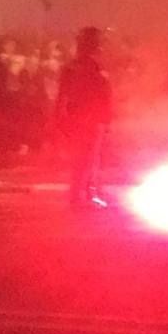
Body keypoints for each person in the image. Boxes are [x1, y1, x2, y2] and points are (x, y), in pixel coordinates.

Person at [56, 27, 113, 207]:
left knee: (80, 159)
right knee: (88, 159)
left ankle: (79, 195)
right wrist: (106, 118)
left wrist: (60, 119)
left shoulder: (70, 67)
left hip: (75, 118)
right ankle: (87, 195)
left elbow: (61, 95)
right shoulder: (94, 67)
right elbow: (103, 95)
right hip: (90, 119)